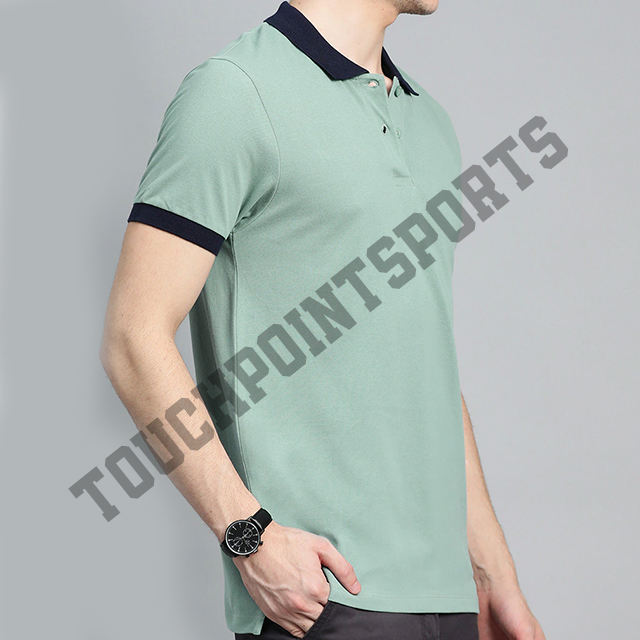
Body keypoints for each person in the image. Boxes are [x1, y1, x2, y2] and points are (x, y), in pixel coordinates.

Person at [100, 1, 546, 638]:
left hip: (450, 601)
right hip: (323, 598)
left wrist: (493, 574)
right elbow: (132, 337)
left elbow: (426, 368)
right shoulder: (235, 93)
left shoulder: (429, 121)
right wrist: (249, 535)